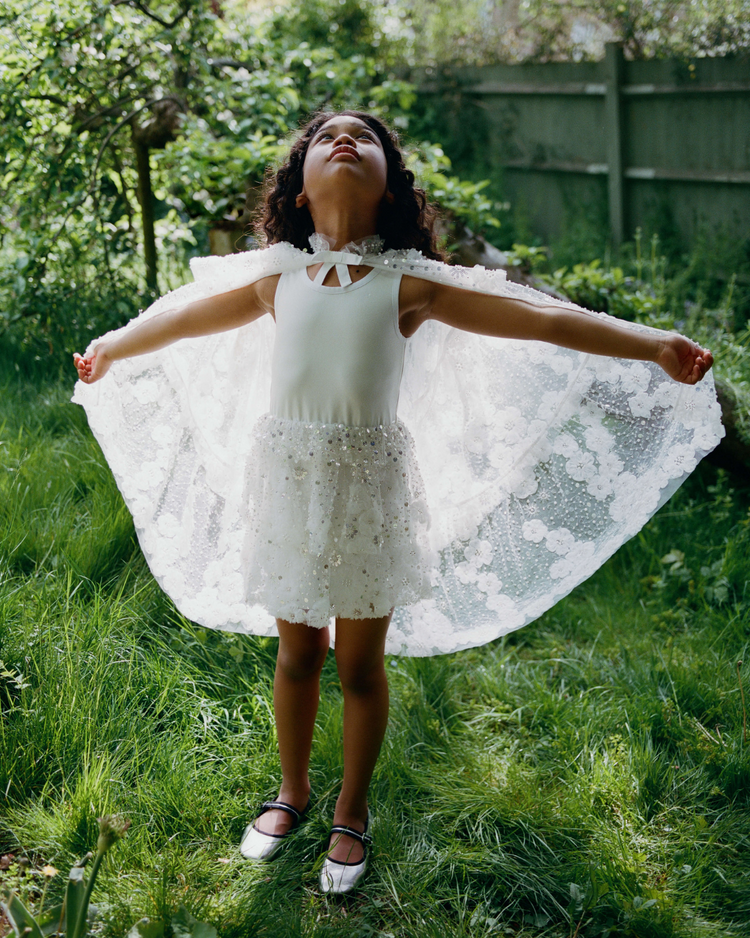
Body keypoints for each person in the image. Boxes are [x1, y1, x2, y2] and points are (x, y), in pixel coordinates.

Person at [73, 110, 721, 894]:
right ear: (300, 193)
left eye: (365, 137)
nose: (345, 140)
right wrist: (112, 345)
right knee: (297, 652)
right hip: (290, 482)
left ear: (390, 189)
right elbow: (182, 318)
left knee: (358, 662)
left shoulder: (406, 285)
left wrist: (648, 342)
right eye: (326, 137)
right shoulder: (277, 281)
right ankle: (292, 791)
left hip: (368, 490)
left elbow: (541, 318)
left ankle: (352, 808)